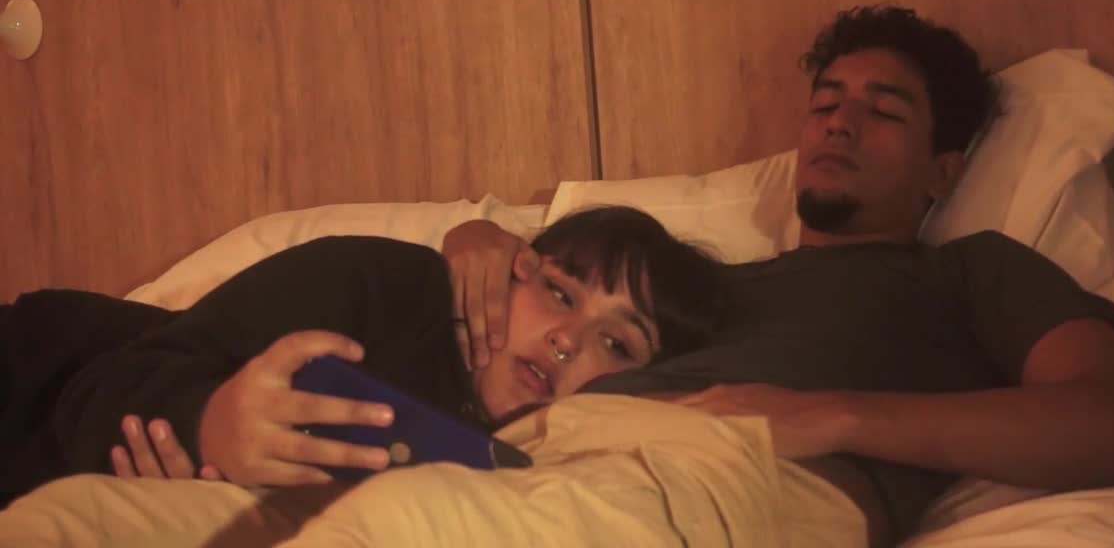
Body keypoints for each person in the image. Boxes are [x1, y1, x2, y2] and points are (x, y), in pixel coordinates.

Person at [441, 4, 1114, 546]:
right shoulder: (701, 287)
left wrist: (832, 417)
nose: (839, 123)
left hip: (736, 486)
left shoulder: (970, 271)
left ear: (942, 173)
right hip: (540, 454)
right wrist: (477, 241)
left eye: (882, 112)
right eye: (826, 103)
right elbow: (568, 324)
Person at [0, 205, 723, 507]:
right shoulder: (386, 287)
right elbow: (108, 384)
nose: (568, 338)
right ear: (515, 271)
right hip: (33, 374)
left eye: (616, 343)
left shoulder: (552, 469)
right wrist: (209, 423)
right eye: (560, 294)